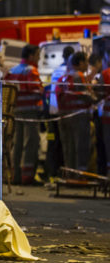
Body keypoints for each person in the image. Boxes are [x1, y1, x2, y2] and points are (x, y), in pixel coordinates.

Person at [5, 44, 43, 184]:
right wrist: (42, 91)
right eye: (38, 55)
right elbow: (36, 91)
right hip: (29, 111)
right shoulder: (31, 70)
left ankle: (15, 176)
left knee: (17, 143)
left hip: (16, 111)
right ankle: (27, 177)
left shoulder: (12, 70)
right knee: (30, 142)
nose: (39, 58)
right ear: (31, 56)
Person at [56, 52, 93, 172]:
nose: (87, 64)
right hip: (79, 117)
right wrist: (97, 97)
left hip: (64, 117)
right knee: (81, 147)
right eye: (86, 61)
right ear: (80, 63)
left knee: (68, 147)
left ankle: (69, 174)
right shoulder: (79, 76)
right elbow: (87, 96)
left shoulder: (63, 77)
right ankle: (80, 175)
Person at [45, 46, 75, 179]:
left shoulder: (56, 70)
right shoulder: (67, 72)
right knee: (65, 143)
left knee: (53, 142)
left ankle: (52, 171)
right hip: (64, 112)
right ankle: (63, 171)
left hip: (52, 112)